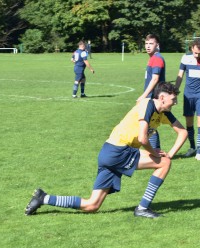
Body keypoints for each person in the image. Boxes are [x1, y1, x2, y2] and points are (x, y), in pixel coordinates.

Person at [25, 82, 187, 218]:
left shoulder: (164, 113)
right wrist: (155, 153)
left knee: (92, 205)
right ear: (162, 97)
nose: (175, 102)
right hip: (119, 151)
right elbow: (143, 138)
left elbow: (183, 132)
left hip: (109, 153)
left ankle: (44, 198)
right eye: (173, 99)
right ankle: (143, 208)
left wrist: (171, 153)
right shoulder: (148, 104)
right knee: (164, 163)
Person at [175, 39, 200, 161]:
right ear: (192, 48)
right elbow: (179, 76)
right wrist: (175, 93)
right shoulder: (185, 58)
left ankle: (199, 151)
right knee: (189, 122)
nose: (197, 55)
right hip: (188, 95)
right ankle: (192, 147)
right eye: (195, 52)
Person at [137, 34, 166, 150]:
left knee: (150, 125)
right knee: (150, 125)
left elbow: (155, 79)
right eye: (146, 43)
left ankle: (155, 151)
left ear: (157, 45)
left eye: (151, 43)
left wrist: (143, 96)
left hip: (154, 97)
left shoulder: (157, 58)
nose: (148, 46)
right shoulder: (153, 58)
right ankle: (156, 150)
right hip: (153, 97)